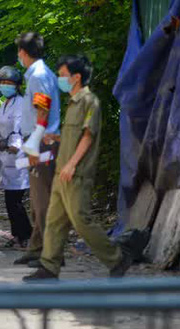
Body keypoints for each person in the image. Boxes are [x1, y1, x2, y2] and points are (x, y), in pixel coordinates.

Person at [24, 55, 132, 281]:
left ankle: (117, 259)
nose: (60, 79)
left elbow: (87, 136)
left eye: (63, 75)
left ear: (76, 77)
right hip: (61, 172)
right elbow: (74, 136)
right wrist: (56, 138)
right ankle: (49, 266)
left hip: (76, 173)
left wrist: (72, 164)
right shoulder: (72, 103)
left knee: (81, 220)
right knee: (54, 221)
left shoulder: (89, 101)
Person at [12, 32, 62, 266]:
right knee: (36, 199)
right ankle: (36, 247)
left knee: (42, 201)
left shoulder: (38, 76)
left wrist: (33, 142)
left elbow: (43, 110)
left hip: (41, 142)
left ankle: (50, 254)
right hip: (39, 141)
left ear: (23, 52)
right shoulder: (39, 74)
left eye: (19, 51)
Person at [0, 66, 32, 248]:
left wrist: (13, 145)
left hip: (19, 157)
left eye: (9, 83)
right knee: (9, 200)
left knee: (15, 200)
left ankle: (26, 236)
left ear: (17, 85)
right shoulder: (4, 104)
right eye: (3, 83)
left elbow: (18, 128)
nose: (5, 86)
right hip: (5, 158)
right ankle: (17, 234)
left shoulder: (21, 104)